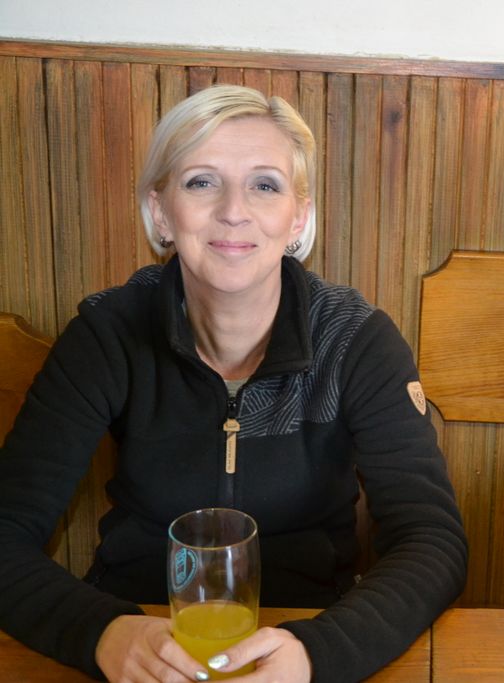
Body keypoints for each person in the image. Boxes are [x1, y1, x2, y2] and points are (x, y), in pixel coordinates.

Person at [0, 85, 467, 682]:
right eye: (201, 182)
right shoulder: (108, 334)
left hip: (305, 633)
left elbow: (432, 541)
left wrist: (317, 653)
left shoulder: (357, 341)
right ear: (161, 212)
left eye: (264, 185)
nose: (233, 210)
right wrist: (104, 633)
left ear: (298, 217)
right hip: (140, 640)